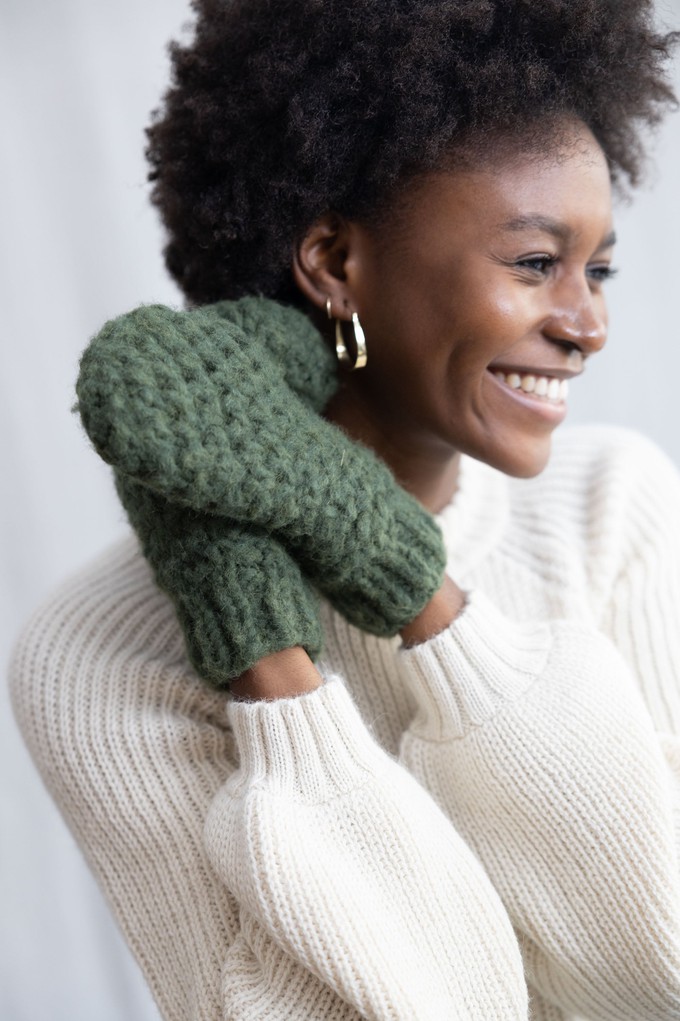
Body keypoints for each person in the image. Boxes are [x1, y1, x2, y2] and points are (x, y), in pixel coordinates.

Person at [9, 0, 680, 1018]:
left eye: (598, 270)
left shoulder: (615, 509)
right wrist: (242, 605)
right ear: (332, 263)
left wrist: (401, 575)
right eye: (536, 263)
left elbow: (654, 971)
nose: (586, 325)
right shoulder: (99, 654)